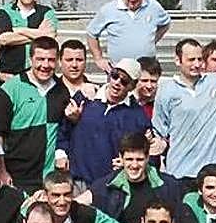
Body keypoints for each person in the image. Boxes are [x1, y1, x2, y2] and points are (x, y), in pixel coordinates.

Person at [0, 36, 70, 193]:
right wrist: (2, 171)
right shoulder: (10, 89)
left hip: (49, 178)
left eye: (51, 60)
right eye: (40, 59)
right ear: (31, 59)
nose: (45, 65)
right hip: (16, 176)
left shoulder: (61, 90)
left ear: (57, 61)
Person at [59, 57, 151, 190]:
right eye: (114, 76)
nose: (117, 82)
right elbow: (63, 130)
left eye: (124, 81)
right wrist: (61, 154)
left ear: (132, 86)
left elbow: (147, 151)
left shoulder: (138, 116)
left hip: (111, 185)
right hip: (77, 180)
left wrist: (128, 162)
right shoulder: (85, 97)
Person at [152, 38, 216, 189]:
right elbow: (160, 129)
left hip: (213, 173)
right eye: (191, 59)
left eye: (199, 59)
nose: (196, 64)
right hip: (181, 171)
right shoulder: (167, 90)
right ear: (177, 60)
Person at [89, 132, 184, 223]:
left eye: (139, 160)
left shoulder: (168, 185)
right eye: (129, 159)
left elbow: (179, 221)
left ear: (147, 158)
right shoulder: (108, 185)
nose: (134, 165)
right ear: (121, 158)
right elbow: (83, 201)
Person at [85, 0, 171, 70]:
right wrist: (98, 58)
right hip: (119, 71)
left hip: (146, 71)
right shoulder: (108, 10)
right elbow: (91, 33)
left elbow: (165, 24)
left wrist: (152, 40)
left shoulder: (154, 7)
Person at [0, 0, 58, 76]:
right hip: (10, 72)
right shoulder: (4, 11)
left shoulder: (47, 12)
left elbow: (50, 36)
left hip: (40, 72)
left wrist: (19, 30)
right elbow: (4, 39)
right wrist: (39, 35)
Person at [57, 39, 98, 103]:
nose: (74, 65)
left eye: (79, 60)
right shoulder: (50, 91)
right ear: (60, 62)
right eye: (69, 60)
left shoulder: (98, 92)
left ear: (85, 62)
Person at [135, 56, 162, 120]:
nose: (149, 86)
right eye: (144, 81)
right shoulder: (125, 102)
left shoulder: (162, 103)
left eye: (153, 81)